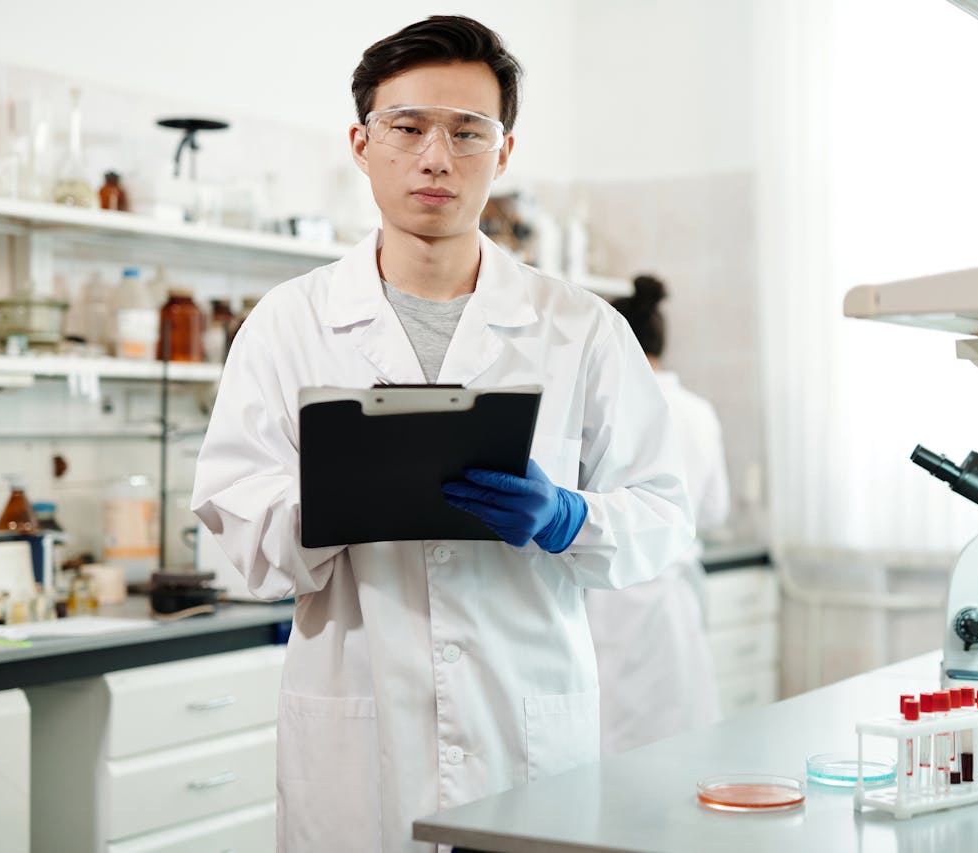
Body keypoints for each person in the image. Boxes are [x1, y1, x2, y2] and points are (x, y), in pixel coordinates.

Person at [190, 16, 694, 853]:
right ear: (361, 142)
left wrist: (569, 516)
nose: (437, 158)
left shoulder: (580, 328)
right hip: (357, 730)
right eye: (409, 127)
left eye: (468, 133)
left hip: (524, 730)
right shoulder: (287, 324)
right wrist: (331, 501)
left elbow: (664, 518)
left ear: (502, 153)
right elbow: (238, 530)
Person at [585, 274, 730, 756]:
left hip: (616, 598)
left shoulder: (610, 407)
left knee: (617, 747)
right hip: (674, 595)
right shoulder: (698, 410)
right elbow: (713, 511)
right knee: (681, 740)